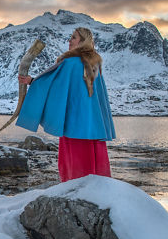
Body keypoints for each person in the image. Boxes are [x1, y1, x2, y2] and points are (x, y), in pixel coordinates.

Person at [15, 27, 116, 181]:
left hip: (74, 122)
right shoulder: (95, 63)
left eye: (74, 38)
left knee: (74, 160)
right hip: (93, 123)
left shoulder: (69, 63)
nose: (69, 41)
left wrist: (31, 81)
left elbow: (52, 85)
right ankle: (98, 191)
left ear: (83, 41)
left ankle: (74, 188)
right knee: (94, 157)